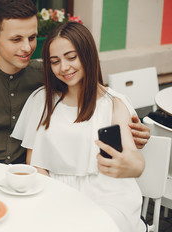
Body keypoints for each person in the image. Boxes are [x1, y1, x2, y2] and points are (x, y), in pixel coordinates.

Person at [0, 0, 150, 176]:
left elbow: (92, 101)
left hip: (23, 177)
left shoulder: (51, 75)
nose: (27, 47)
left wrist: (131, 131)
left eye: (32, 37)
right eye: (17, 39)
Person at [11, 22, 146, 231]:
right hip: (55, 190)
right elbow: (35, 163)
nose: (64, 67)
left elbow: (132, 157)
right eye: (55, 61)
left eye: (71, 57)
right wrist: (58, 198)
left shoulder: (114, 103)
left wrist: (134, 165)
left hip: (108, 194)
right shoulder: (41, 100)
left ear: (88, 55)